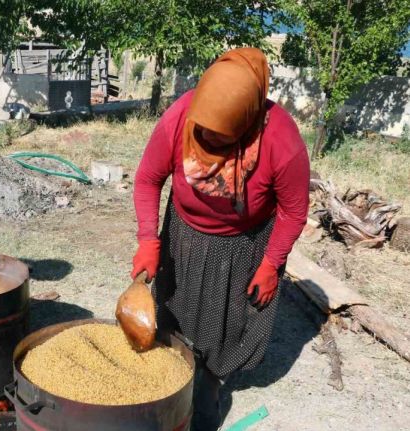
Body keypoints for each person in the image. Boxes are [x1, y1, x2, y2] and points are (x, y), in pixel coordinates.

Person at [131, 47, 309, 430]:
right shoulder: (180, 116)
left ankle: (206, 390)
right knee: (171, 313)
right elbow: (148, 179)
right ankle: (167, 389)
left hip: (241, 247)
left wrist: (270, 263)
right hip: (182, 234)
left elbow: (294, 211)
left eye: (221, 137)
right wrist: (149, 239)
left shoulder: (281, 139)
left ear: (246, 123)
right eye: (204, 133)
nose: (208, 139)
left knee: (221, 332)